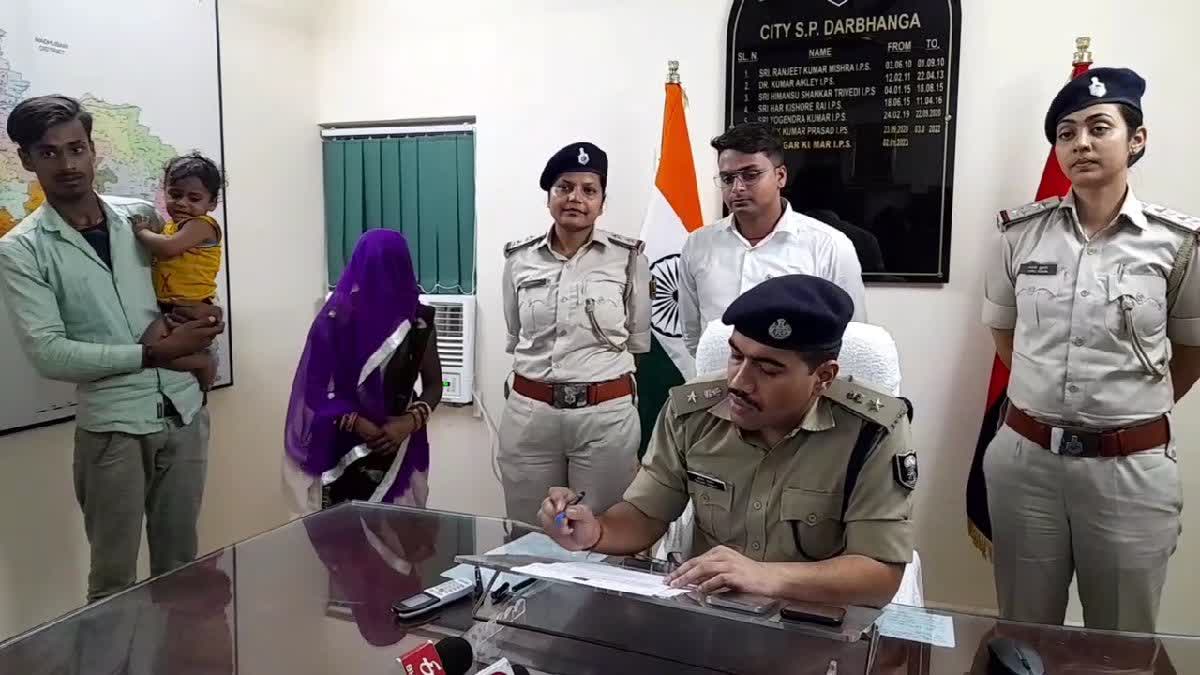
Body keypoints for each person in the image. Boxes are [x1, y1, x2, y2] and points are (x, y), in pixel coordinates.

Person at [540, 275, 915, 608]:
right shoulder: (692, 413)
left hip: (815, 619)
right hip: (713, 613)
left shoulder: (871, 432)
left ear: (823, 377)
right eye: (736, 356)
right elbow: (646, 514)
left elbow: (879, 574)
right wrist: (596, 532)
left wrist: (766, 576)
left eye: (768, 369)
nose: (739, 382)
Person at [982, 67, 1200, 633]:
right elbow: (1006, 337)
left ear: (1136, 139)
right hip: (1027, 464)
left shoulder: (1177, 243)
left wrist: (1119, 413)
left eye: (1098, 127)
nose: (1080, 143)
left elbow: (1191, 350)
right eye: (1066, 133)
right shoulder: (1019, 235)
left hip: (1130, 470)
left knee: (1121, 643)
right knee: (1024, 635)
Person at [0, 95, 222, 602]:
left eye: (76, 148)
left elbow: (185, 280)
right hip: (114, 431)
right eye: (49, 152)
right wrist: (152, 354)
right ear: (27, 160)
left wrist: (209, 315)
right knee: (113, 583)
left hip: (184, 414)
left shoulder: (138, 217)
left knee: (180, 571)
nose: (68, 163)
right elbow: (49, 353)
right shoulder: (22, 249)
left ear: (93, 150)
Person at [499, 141, 651, 524]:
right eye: (564, 187)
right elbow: (516, 334)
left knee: (605, 532)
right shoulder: (519, 259)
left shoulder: (628, 258)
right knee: (530, 532)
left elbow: (636, 337)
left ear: (602, 202)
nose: (575, 198)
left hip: (604, 419)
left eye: (589, 190)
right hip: (530, 418)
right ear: (549, 196)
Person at [282, 229, 442, 513]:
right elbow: (314, 388)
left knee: (400, 533)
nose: (382, 274)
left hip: (401, 444)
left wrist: (408, 423)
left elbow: (433, 385)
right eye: (375, 264)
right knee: (343, 533)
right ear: (360, 266)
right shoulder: (335, 319)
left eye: (391, 265)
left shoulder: (418, 321)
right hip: (341, 444)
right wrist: (357, 423)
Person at [678, 122, 866, 359]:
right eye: (727, 178)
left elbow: (852, 337)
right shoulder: (698, 245)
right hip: (719, 379)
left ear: (780, 176)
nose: (737, 188)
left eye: (750, 175)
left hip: (796, 382)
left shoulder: (829, 246)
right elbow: (693, 335)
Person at [133, 152, 226, 391]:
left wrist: (142, 232)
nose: (182, 203)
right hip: (172, 307)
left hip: (195, 307)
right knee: (147, 350)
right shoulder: (172, 227)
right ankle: (201, 365)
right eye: (175, 194)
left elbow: (168, 248)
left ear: (212, 203)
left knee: (150, 351)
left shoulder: (202, 225)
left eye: (194, 198)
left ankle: (203, 364)